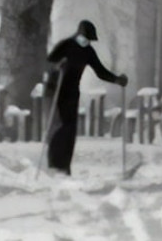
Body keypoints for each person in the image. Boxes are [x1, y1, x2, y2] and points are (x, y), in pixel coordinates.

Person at [44, 19, 128, 175]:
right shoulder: (66, 45)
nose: (87, 41)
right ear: (78, 34)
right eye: (85, 38)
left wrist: (117, 79)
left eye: (89, 39)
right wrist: (57, 67)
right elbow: (49, 63)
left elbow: (100, 71)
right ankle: (54, 165)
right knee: (59, 126)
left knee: (70, 129)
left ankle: (65, 166)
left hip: (71, 92)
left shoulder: (88, 51)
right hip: (55, 91)